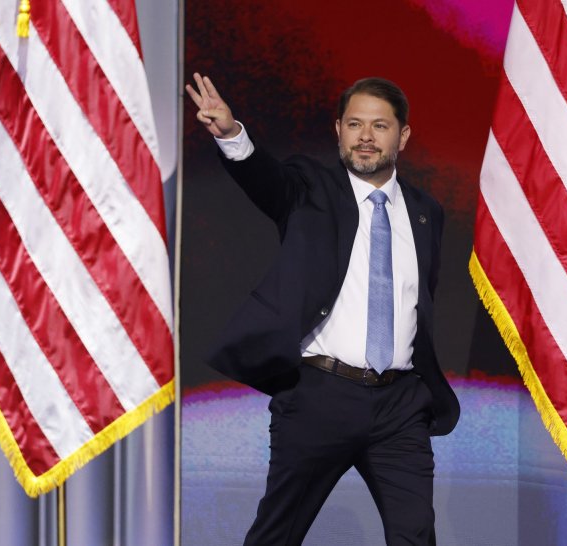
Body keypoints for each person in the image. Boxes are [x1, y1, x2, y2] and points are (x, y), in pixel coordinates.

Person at [186, 73, 460, 545]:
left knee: (416, 536)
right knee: (277, 534)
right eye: (355, 124)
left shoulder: (425, 212)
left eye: (379, 126)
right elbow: (265, 180)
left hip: (399, 405)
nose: (366, 137)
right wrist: (232, 135)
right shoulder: (308, 189)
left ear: (403, 135)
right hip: (320, 396)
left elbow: (423, 305)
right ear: (338, 131)